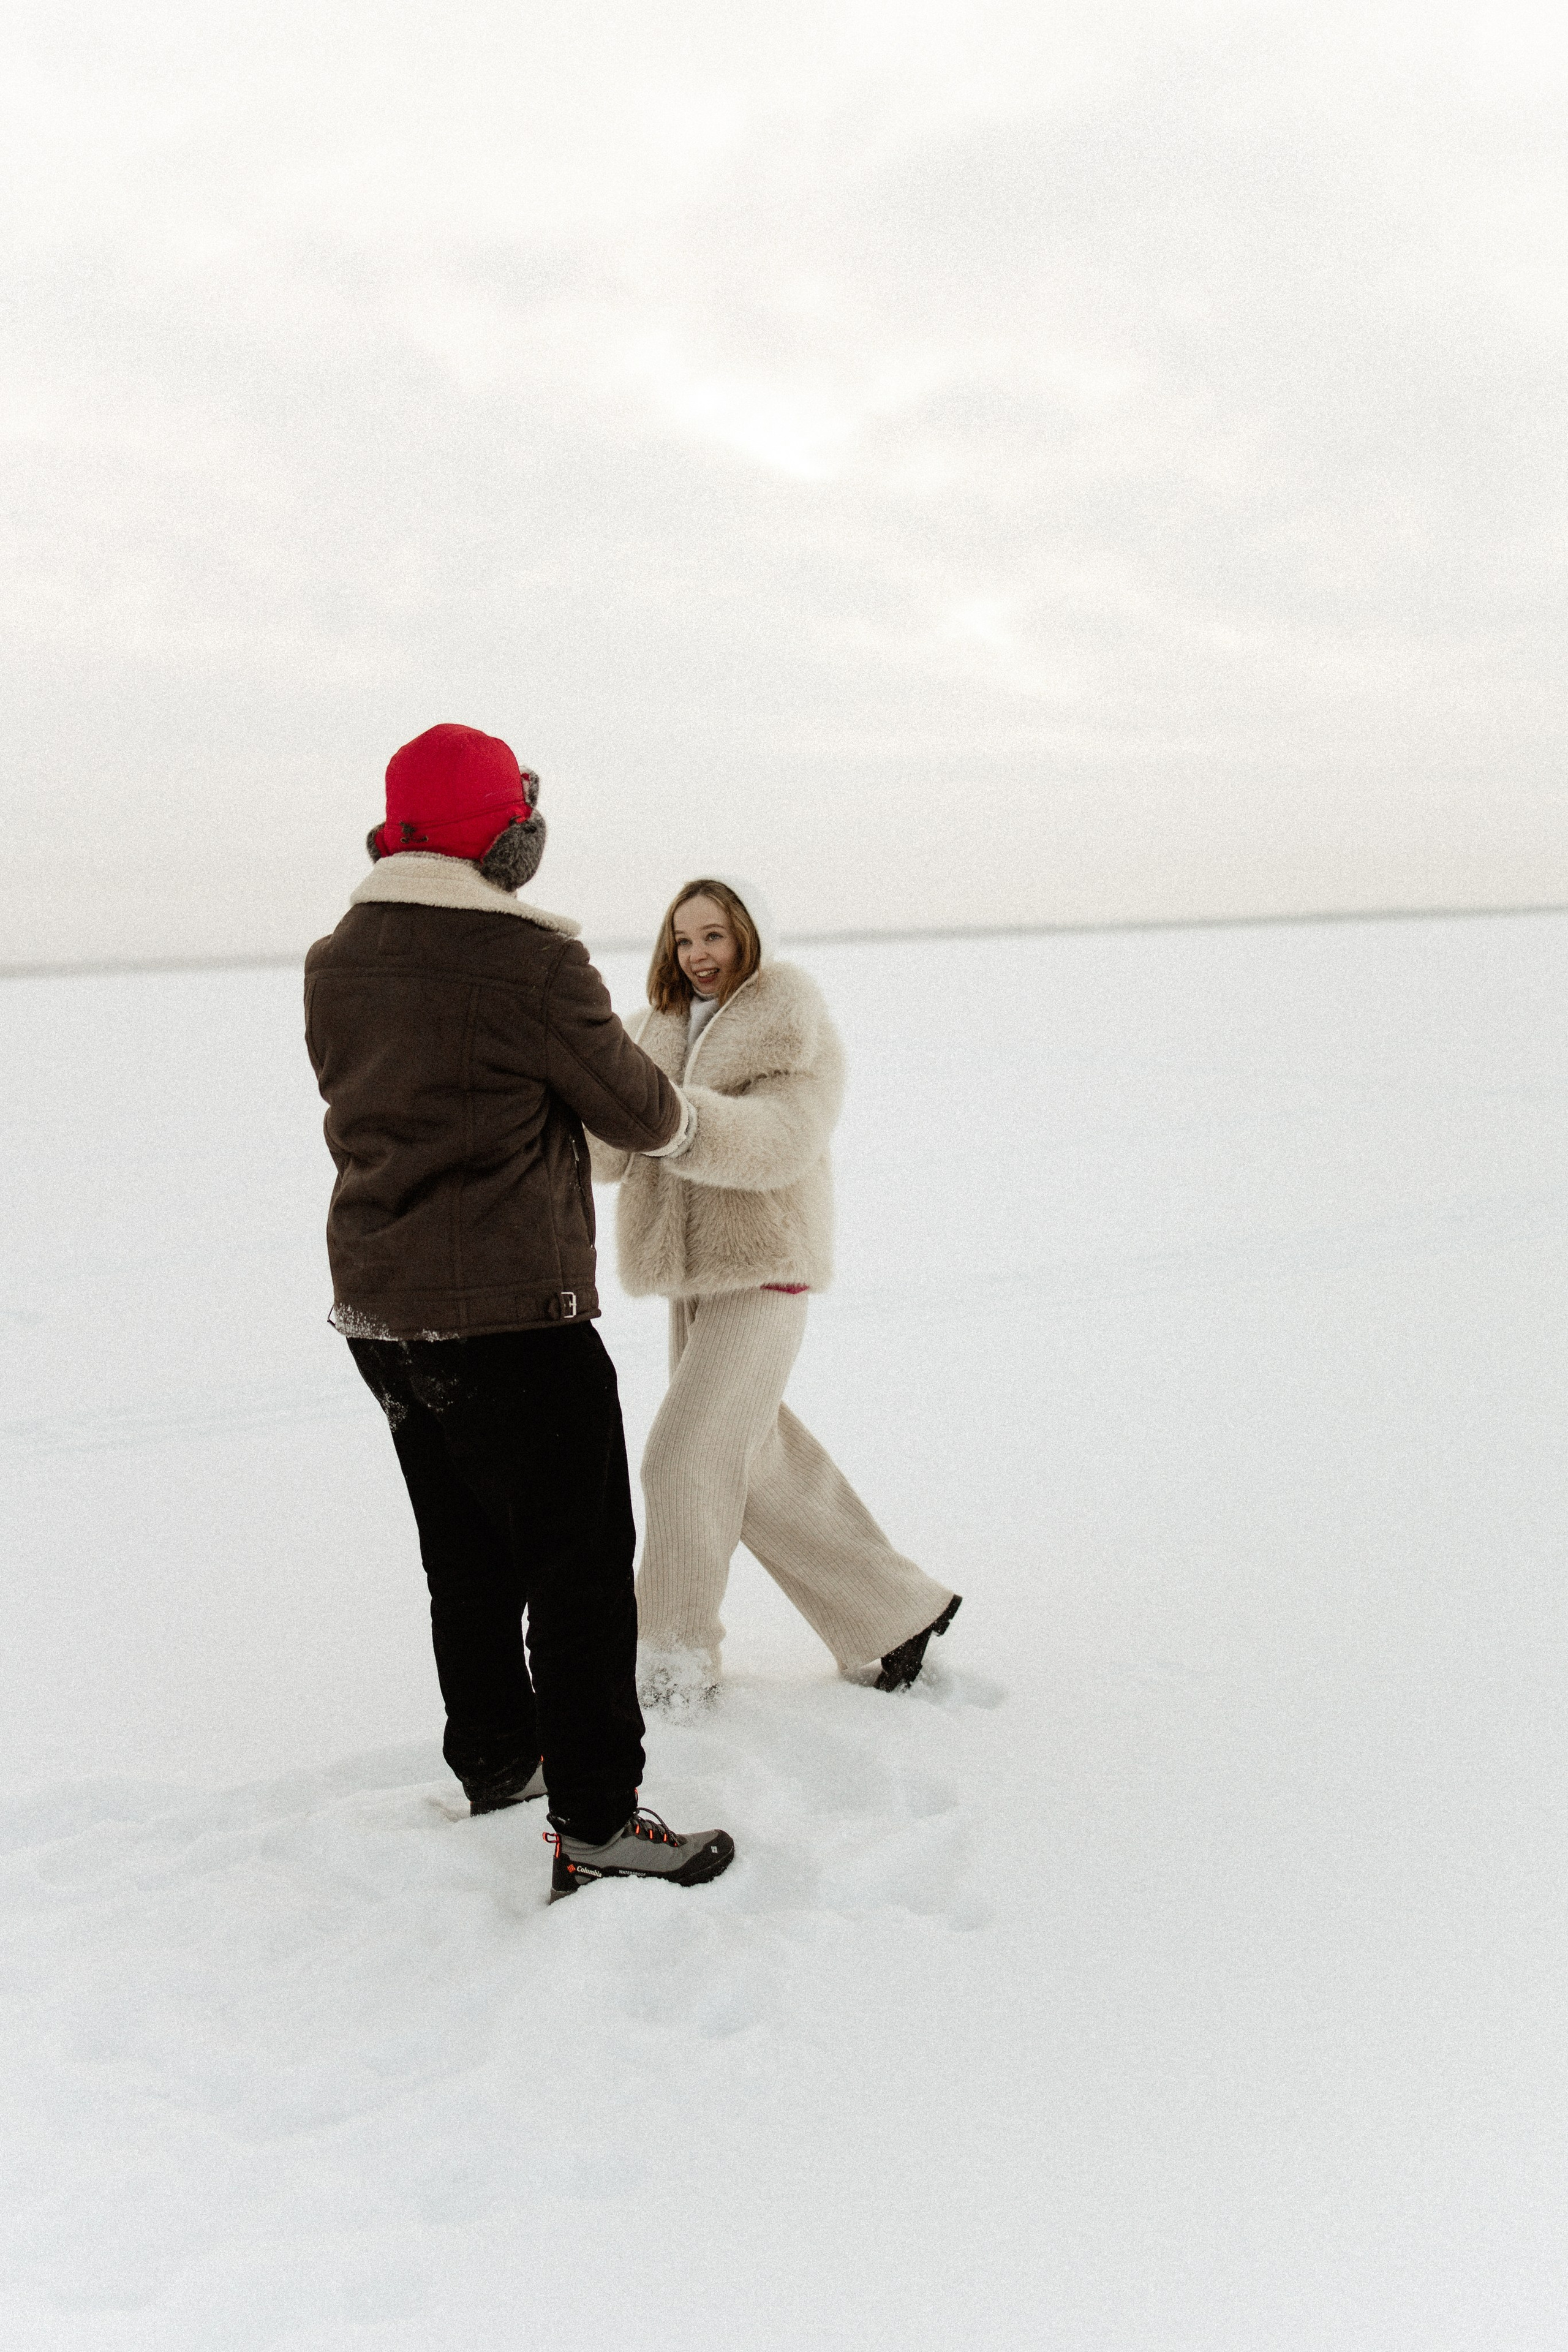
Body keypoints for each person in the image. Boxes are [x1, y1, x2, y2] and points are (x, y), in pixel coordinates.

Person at [304, 725, 734, 1901]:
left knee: (467, 1556)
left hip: (382, 1316)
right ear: (506, 838)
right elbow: (641, 1113)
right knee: (583, 1571)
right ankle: (598, 1822)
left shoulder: (334, 958)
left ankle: (500, 1758)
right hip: (515, 1318)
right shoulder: (529, 963)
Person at [589, 876, 961, 1705]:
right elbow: (610, 1156)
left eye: (715, 936)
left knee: (682, 1459)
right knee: (748, 1460)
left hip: (765, 1268)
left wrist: (676, 1120)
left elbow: (781, 1142)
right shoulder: (649, 1031)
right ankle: (896, 1615)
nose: (698, 955)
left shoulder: (793, 1021)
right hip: (691, 1281)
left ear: (751, 936)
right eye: (684, 939)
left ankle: (672, 1664)